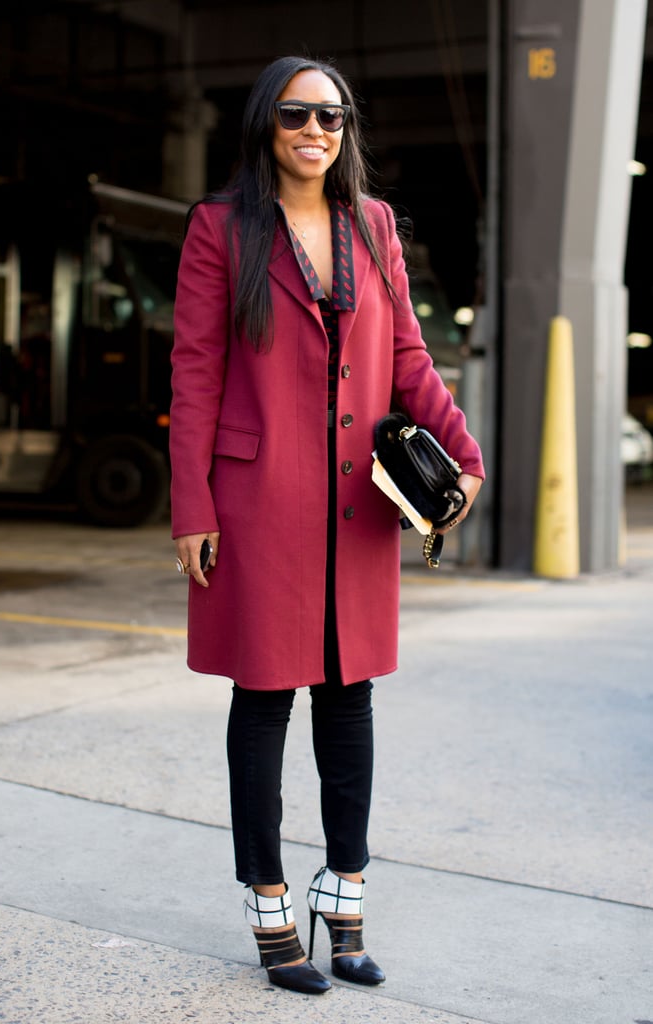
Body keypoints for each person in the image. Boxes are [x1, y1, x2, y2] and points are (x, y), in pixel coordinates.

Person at [169, 55, 484, 996]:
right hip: (257, 499)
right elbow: (193, 372)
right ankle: (266, 897)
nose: (316, 131)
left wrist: (462, 455)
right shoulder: (219, 229)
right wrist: (192, 503)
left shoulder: (372, 225)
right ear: (266, 123)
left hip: (358, 502)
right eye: (298, 114)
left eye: (333, 117)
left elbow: (409, 355)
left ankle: (342, 891)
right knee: (265, 696)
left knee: (349, 696)